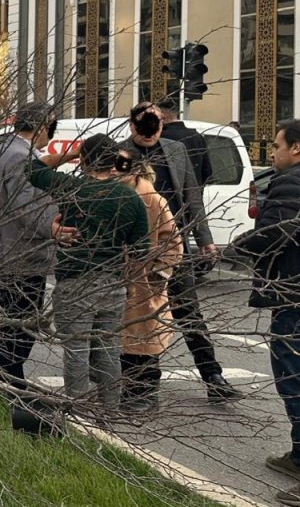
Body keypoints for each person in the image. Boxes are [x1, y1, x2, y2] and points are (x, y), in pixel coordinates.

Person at [118, 102, 241, 403]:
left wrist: (205, 240)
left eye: (156, 122)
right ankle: (142, 385)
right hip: (135, 253)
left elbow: (192, 197)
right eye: (144, 123)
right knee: (141, 318)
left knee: (190, 314)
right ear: (132, 125)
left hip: (173, 247)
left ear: (162, 124)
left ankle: (213, 376)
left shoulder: (176, 150)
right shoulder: (121, 154)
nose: (150, 129)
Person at [28, 133, 150, 410]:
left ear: (84, 161)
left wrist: (73, 153)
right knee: (109, 352)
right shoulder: (129, 198)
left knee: (77, 352)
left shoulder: (71, 188)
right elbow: (141, 251)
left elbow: (33, 168)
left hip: (74, 282)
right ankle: (110, 410)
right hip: (112, 284)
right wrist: (128, 284)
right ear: (114, 161)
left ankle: (79, 410)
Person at [232, 119, 300, 506]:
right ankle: (299, 455)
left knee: (295, 377)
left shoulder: (292, 182)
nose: (272, 152)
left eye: (276, 145)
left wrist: (236, 247)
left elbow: (275, 233)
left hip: (294, 294)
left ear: (297, 147)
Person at [0, 102, 65, 389]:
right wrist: (52, 228)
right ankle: (9, 384)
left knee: (7, 326)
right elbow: (25, 205)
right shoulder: (19, 156)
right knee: (20, 327)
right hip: (18, 256)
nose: (51, 132)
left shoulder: (5, 149)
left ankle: (2, 379)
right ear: (40, 126)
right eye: (51, 126)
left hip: (1, 251)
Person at [117, 154, 181, 413]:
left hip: (143, 280)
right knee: (124, 341)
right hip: (119, 279)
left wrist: (158, 275)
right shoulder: (112, 194)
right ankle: (128, 391)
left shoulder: (152, 199)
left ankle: (145, 394)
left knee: (144, 340)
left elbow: (172, 243)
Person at [156, 97, 213, 185]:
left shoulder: (160, 137)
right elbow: (207, 173)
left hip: (169, 190)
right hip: (195, 190)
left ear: (162, 116)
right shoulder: (197, 136)